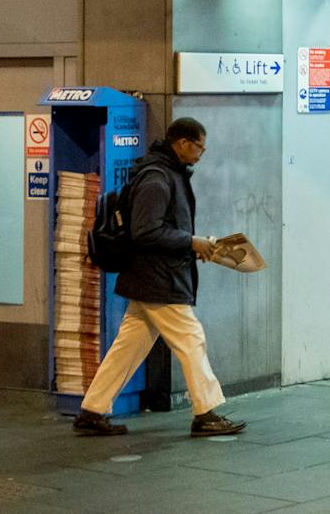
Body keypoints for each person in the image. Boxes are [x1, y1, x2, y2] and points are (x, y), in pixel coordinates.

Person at [73, 117, 247, 438]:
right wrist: (190, 242)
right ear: (182, 143)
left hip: (152, 275)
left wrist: (191, 245)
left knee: (130, 345)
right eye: (199, 148)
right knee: (191, 338)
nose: (201, 155)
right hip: (158, 277)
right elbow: (145, 231)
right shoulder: (158, 179)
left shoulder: (168, 174)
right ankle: (205, 412)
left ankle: (92, 409)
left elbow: (160, 229)